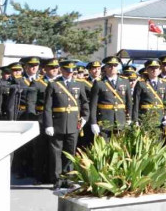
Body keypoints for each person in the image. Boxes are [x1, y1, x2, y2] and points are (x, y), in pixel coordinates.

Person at [43, 60, 89, 188]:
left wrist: (85, 117)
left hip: (74, 124)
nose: (69, 73)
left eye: (71, 71)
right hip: (57, 124)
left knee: (70, 152)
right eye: (67, 71)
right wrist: (48, 124)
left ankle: (69, 178)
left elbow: (84, 103)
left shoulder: (79, 85)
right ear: (61, 70)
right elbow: (47, 107)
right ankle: (57, 179)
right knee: (56, 153)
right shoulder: (54, 85)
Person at [89, 57, 132, 139]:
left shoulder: (125, 82)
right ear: (105, 68)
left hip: (121, 120)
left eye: (115, 65)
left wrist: (129, 118)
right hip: (105, 121)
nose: (112, 68)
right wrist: (93, 123)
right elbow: (93, 105)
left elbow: (129, 102)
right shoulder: (99, 83)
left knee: (120, 147)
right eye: (109, 66)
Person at [132, 59, 166, 131]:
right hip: (145, 117)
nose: (154, 70)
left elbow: (165, 102)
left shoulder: (164, 83)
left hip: (159, 118)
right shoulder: (141, 83)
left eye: (156, 68)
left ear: (160, 70)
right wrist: (136, 120)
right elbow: (136, 103)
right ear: (147, 70)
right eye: (151, 68)